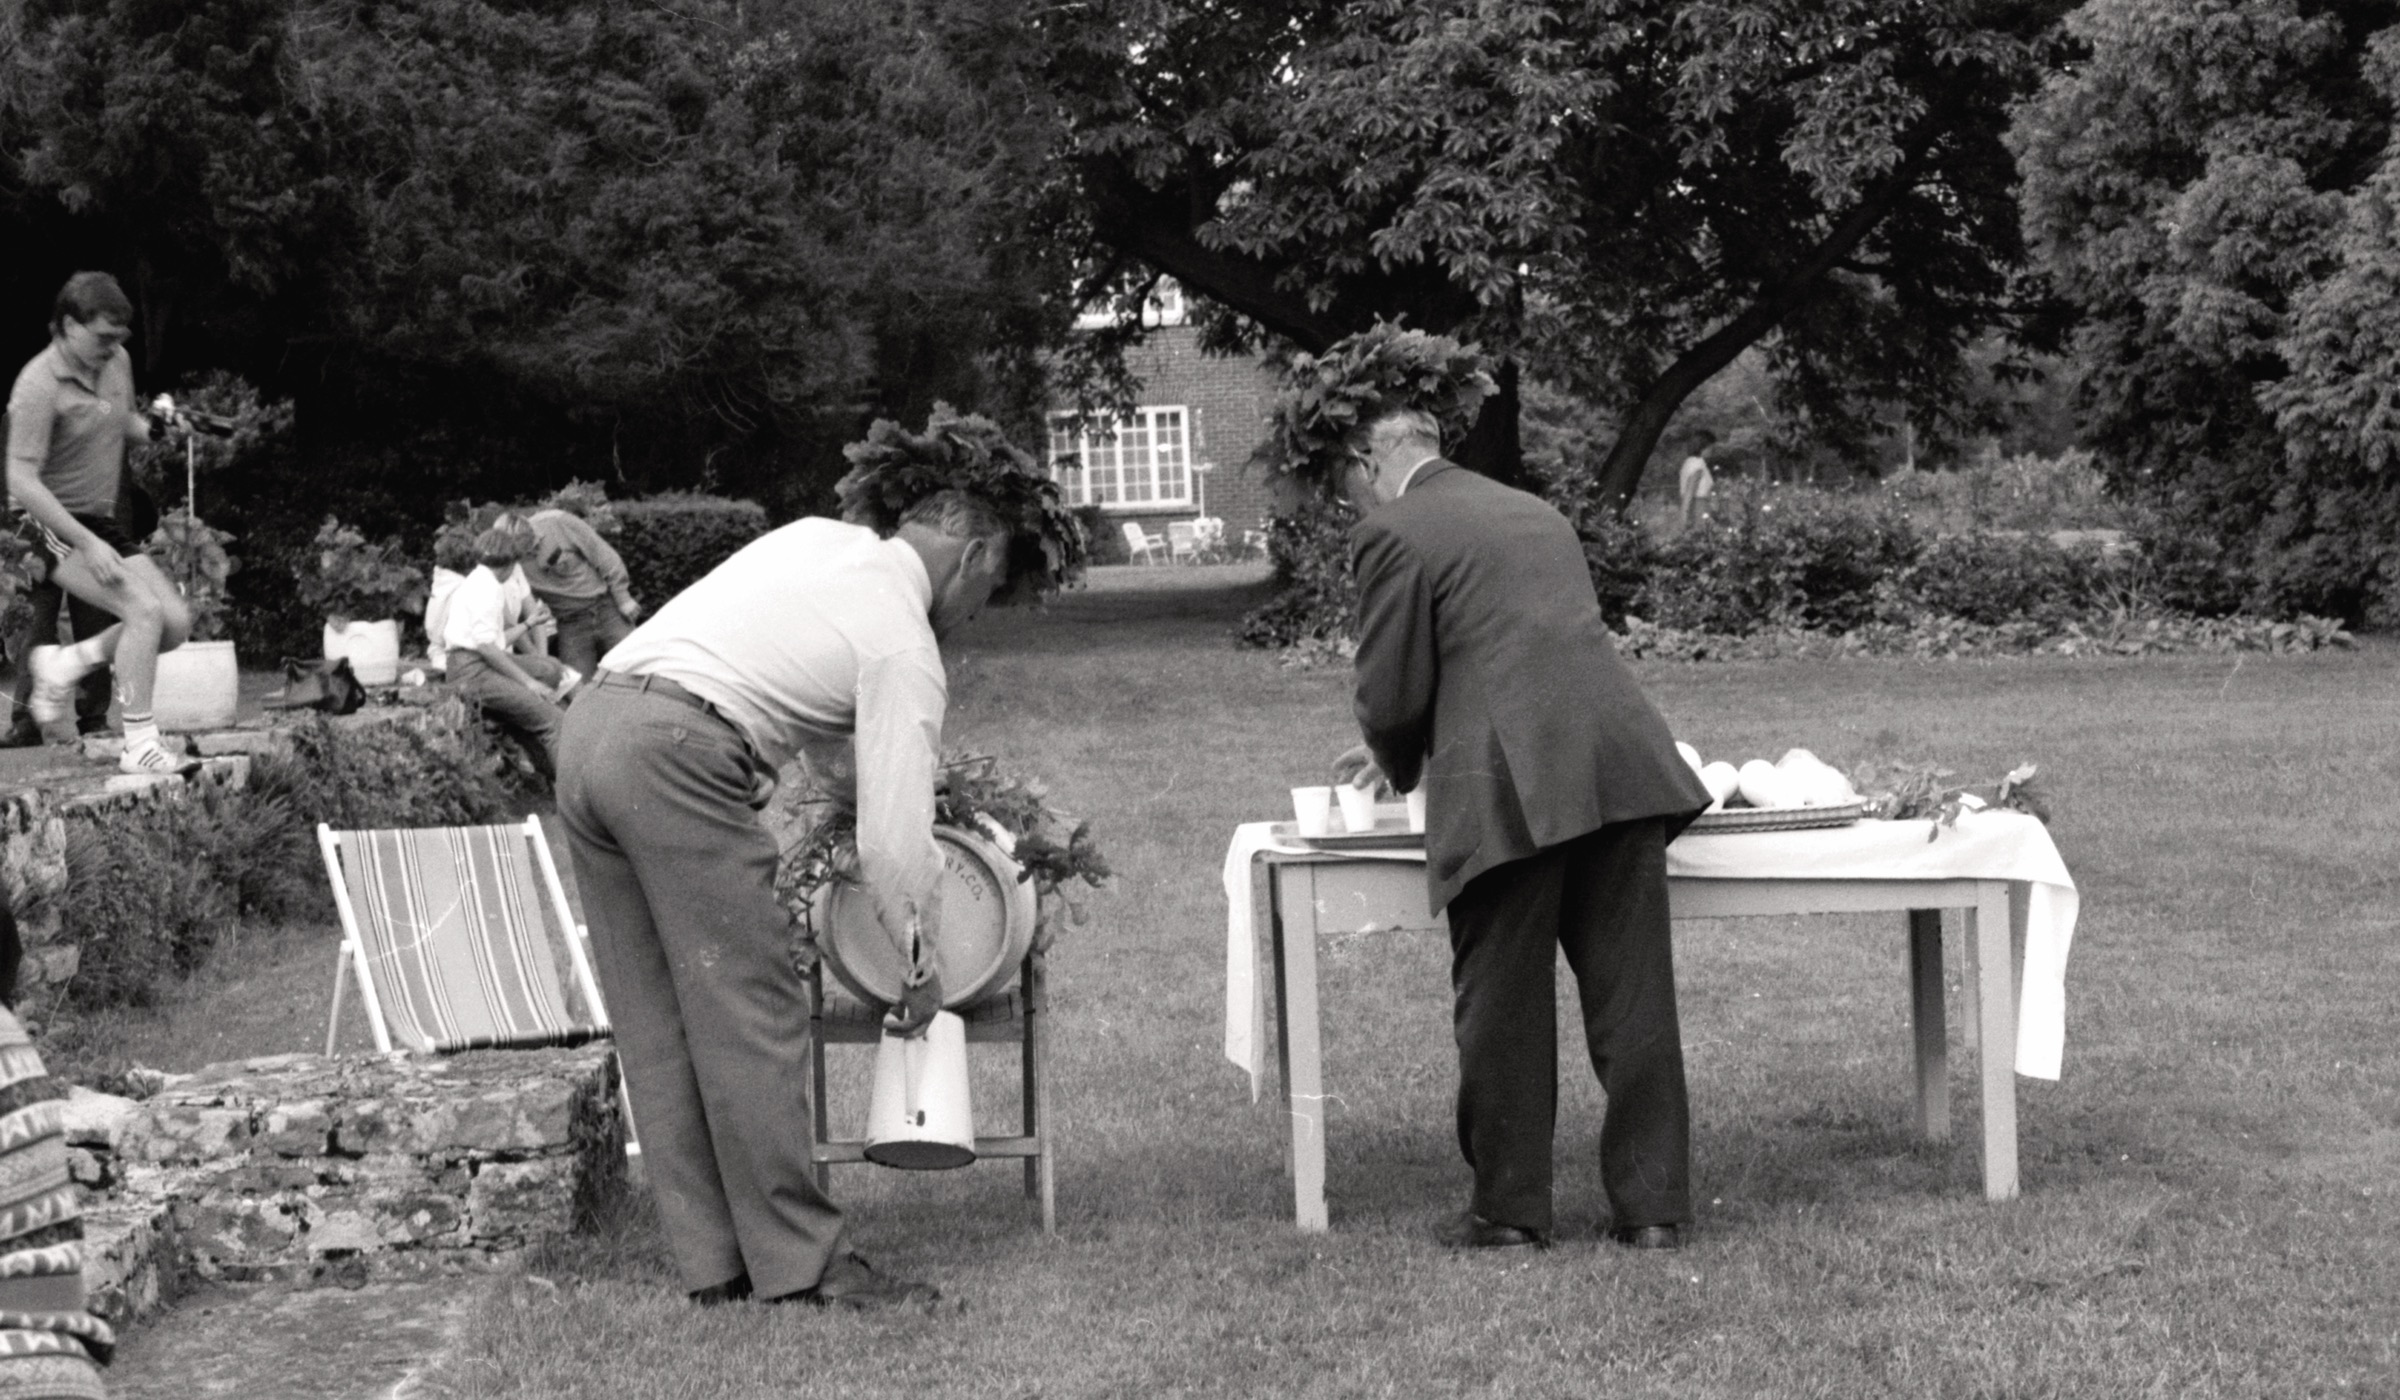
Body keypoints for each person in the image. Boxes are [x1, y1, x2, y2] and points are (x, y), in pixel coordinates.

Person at [555, 489, 1011, 1312]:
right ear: (972, 554)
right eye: (991, 590)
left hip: (590, 728)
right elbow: (894, 836)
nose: (976, 617)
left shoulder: (815, 542)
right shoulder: (903, 641)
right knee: (750, 1008)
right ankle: (807, 1266)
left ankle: (716, 1267)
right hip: (677, 754)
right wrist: (919, 963)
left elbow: (840, 761)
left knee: (657, 1016)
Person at [1333, 401, 1711, 1252]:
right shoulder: (1535, 511)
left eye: (1345, 484)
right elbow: (1516, 646)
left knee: (1503, 1000)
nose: (1351, 503)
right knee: (1633, 996)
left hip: (1506, 782)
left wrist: (1399, 758)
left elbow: (1390, 694)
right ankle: (1653, 1211)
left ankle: (1509, 1212)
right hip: (1620, 763)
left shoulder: (1393, 531)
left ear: (1369, 462)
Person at [4, 273, 193, 775]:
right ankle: (139, 743)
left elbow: (121, 422)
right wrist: (86, 543)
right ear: (69, 325)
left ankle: (65, 663)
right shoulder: (37, 385)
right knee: (141, 613)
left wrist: (159, 426)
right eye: (103, 337)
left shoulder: (115, 364)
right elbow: (19, 479)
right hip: (36, 524)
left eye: (120, 339)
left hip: (94, 519)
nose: (113, 349)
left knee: (173, 624)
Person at [440, 515, 576, 780]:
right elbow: (488, 648)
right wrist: (527, 683)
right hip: (471, 673)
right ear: (510, 564)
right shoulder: (488, 589)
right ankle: (572, 797)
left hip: (472, 664)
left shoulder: (481, 580)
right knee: (554, 720)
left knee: (550, 669)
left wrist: (529, 624)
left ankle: (547, 769)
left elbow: (495, 640)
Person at [520, 506, 641, 675]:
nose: (536, 551)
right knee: (576, 686)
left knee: (637, 668)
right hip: (570, 622)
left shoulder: (558, 521)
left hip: (607, 608)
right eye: (528, 552)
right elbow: (521, 604)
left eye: (538, 543)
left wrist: (623, 597)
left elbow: (602, 554)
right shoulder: (509, 562)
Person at [1677, 452, 1715, 530]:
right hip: (1698, 508)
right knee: (1699, 535)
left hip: (1702, 507)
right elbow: (1689, 491)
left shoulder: (1698, 463)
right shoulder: (1695, 463)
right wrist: (1684, 516)